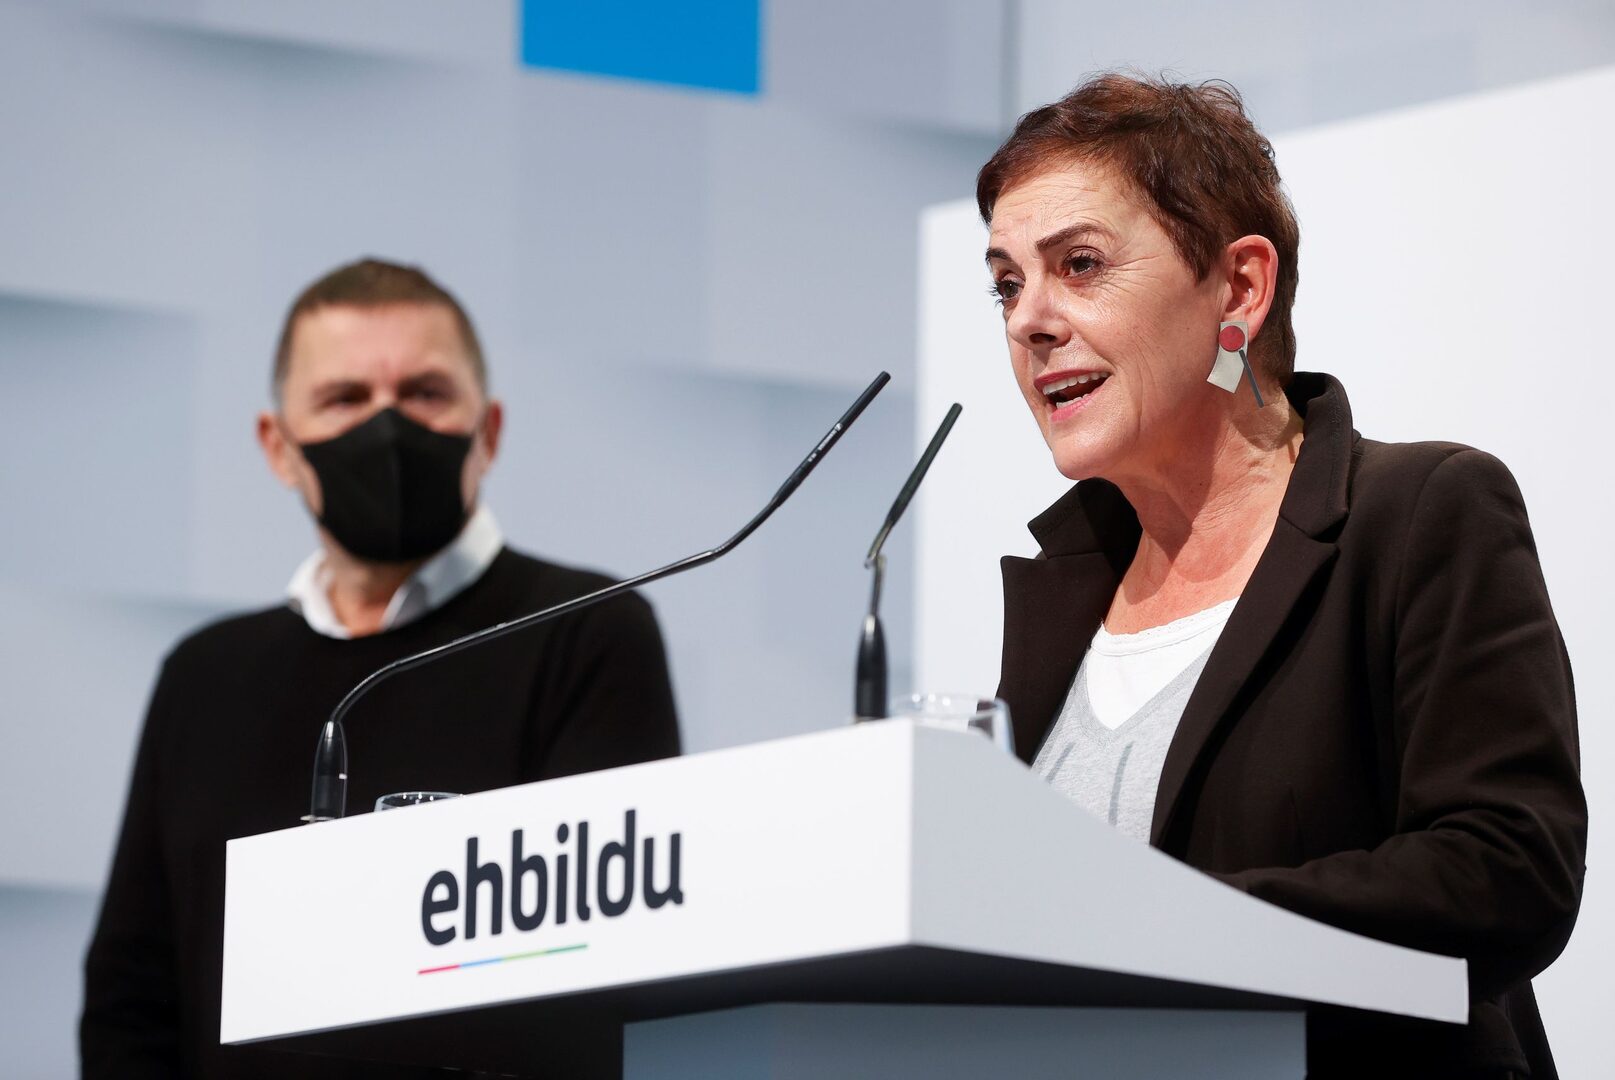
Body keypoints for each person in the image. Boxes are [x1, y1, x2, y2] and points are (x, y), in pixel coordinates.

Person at [979, 76, 1584, 1079]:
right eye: (1006, 285)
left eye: (1079, 265)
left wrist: (1157, 930)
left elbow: (1507, 871)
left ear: (1240, 290)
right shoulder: (1063, 591)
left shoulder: (1417, 514)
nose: (1027, 321)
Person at [81, 258, 681, 1078]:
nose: (387, 427)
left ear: (488, 431)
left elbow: (605, 970)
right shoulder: (202, 672)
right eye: (345, 398)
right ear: (279, 447)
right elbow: (133, 992)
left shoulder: (589, 630)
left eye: (425, 393)